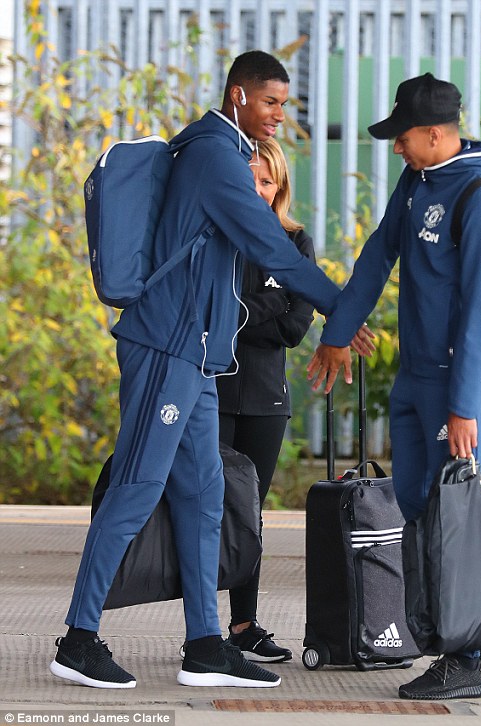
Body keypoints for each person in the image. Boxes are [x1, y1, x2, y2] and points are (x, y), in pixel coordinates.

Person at [49, 50, 358, 691]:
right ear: (240, 95)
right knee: (136, 488)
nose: (280, 116)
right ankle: (78, 640)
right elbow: (269, 245)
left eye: (285, 104)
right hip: (165, 345)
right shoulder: (217, 155)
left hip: (197, 354)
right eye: (271, 102)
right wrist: (343, 307)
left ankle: (205, 645)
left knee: (204, 499)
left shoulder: (220, 149)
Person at [307, 73, 481, 700]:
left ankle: (464, 657)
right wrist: (337, 331)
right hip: (416, 375)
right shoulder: (418, 181)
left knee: (454, 512)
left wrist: (462, 406)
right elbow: (378, 253)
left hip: (460, 381)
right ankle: (480, 636)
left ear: (434, 133)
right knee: (419, 504)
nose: (394, 146)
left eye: (402, 136)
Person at [217, 138, 314, 662]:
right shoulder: (217, 238)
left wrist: (241, 311)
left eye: (266, 181)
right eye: (249, 180)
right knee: (208, 510)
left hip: (264, 401)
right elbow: (212, 314)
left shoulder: (295, 244)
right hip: (211, 393)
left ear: (279, 187)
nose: (257, 190)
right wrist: (270, 303)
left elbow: (297, 326)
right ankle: (201, 629)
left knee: (249, 514)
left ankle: (244, 625)